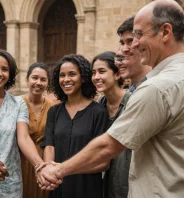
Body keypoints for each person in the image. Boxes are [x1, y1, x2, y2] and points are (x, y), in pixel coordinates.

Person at [43, 1, 184, 197]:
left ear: (165, 32)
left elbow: (108, 147)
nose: (133, 45)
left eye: (139, 35)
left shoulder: (157, 88)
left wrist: (57, 171)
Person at [0, 49, 61, 198]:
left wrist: (40, 166)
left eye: (5, 69)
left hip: (10, 181)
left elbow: (23, 138)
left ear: (10, 74)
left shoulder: (18, 103)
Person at [42, 54, 109, 198]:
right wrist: (49, 171)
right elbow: (49, 145)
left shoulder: (99, 112)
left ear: (83, 77)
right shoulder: (54, 111)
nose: (66, 80)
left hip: (87, 187)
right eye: (62, 75)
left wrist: (63, 170)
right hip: (58, 185)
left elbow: (103, 162)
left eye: (72, 74)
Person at [91, 51, 131, 198]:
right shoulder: (97, 107)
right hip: (102, 184)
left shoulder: (133, 103)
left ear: (117, 74)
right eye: (93, 73)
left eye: (102, 71)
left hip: (127, 183)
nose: (96, 77)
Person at [21, 63, 55, 198]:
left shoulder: (53, 107)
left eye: (43, 79)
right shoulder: (16, 103)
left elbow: (51, 141)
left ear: (48, 83)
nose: (38, 83)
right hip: (20, 160)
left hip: (45, 159)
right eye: (34, 78)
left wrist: (46, 168)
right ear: (27, 79)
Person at [116, 16, 152, 93]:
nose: (124, 49)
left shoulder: (155, 87)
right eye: (122, 43)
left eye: (130, 41)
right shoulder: (131, 91)